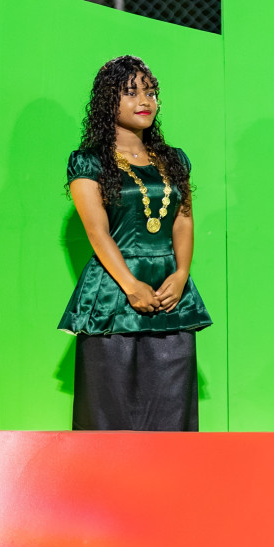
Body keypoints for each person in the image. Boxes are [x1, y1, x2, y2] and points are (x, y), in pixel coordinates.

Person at [60, 55, 212, 430]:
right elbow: (97, 233)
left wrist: (181, 275)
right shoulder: (88, 162)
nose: (144, 100)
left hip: (169, 292)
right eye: (130, 93)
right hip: (113, 294)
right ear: (108, 102)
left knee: (173, 414)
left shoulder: (174, 159)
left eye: (149, 92)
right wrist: (130, 285)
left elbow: (184, 219)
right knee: (108, 414)